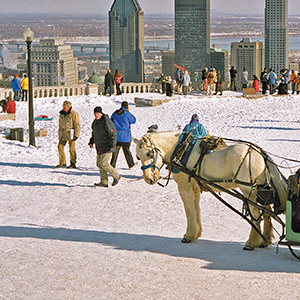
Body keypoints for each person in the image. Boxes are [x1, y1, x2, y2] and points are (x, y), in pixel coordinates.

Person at [89, 106, 121, 187]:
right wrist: (91, 141)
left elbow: (113, 133)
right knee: (99, 164)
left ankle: (116, 176)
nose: (96, 115)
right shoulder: (95, 122)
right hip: (100, 146)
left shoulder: (106, 121)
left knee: (104, 163)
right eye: (95, 114)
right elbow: (94, 133)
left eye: (98, 114)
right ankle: (104, 182)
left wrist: (112, 145)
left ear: (101, 113)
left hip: (107, 146)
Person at [110, 101, 136, 169]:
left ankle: (112, 165)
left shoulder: (115, 113)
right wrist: (128, 112)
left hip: (117, 136)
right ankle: (131, 165)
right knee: (127, 152)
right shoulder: (127, 114)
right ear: (127, 107)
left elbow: (111, 121)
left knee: (115, 153)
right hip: (126, 137)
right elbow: (133, 120)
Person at [56, 100, 81, 169]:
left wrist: (76, 135)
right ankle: (62, 162)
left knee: (71, 149)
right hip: (63, 133)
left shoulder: (74, 114)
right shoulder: (61, 114)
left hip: (71, 133)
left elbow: (77, 125)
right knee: (60, 146)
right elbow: (60, 125)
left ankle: (73, 163)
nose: (64, 108)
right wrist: (59, 133)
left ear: (69, 107)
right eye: (63, 106)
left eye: (65, 106)